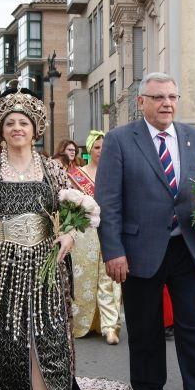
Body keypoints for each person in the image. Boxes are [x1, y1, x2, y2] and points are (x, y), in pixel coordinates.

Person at [0, 86, 131, 390]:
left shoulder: (53, 170)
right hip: (0, 267)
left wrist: (68, 234)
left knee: (44, 346)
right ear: (1, 130)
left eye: (24, 123)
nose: (17, 128)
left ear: (35, 129)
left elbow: (81, 210)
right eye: (10, 123)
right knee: (6, 344)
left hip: (45, 268)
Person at [96, 72, 195, 390]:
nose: (167, 104)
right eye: (158, 97)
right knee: (145, 330)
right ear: (141, 102)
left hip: (186, 248)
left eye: (172, 97)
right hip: (139, 249)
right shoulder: (119, 141)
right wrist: (114, 251)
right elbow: (108, 202)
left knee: (193, 329)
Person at [68, 130, 123, 344]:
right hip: (85, 236)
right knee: (84, 279)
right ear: (90, 149)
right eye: (97, 147)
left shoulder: (116, 173)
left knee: (110, 278)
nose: (101, 151)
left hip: (110, 232)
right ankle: (83, 322)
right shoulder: (76, 175)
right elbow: (69, 209)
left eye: (105, 147)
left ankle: (110, 325)